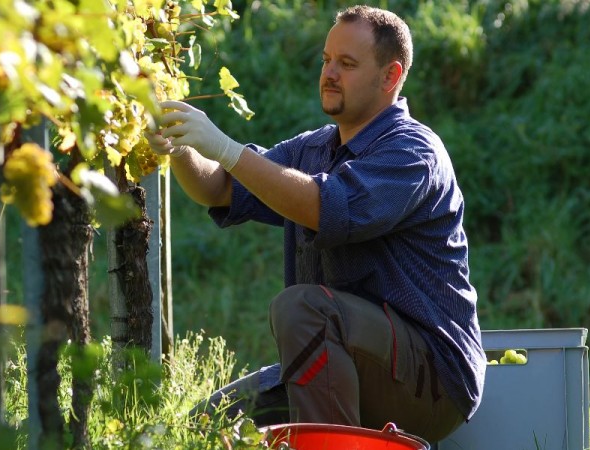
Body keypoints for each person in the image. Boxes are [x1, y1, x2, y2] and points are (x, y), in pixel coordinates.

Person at [145, 4, 486, 443]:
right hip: (344, 353)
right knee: (207, 425)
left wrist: (227, 148)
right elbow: (220, 189)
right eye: (326, 60)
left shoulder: (414, 152)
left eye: (347, 63)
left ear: (390, 76)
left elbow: (326, 208)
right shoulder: (314, 149)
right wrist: (180, 144)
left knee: (303, 307)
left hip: (433, 381)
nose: (329, 73)